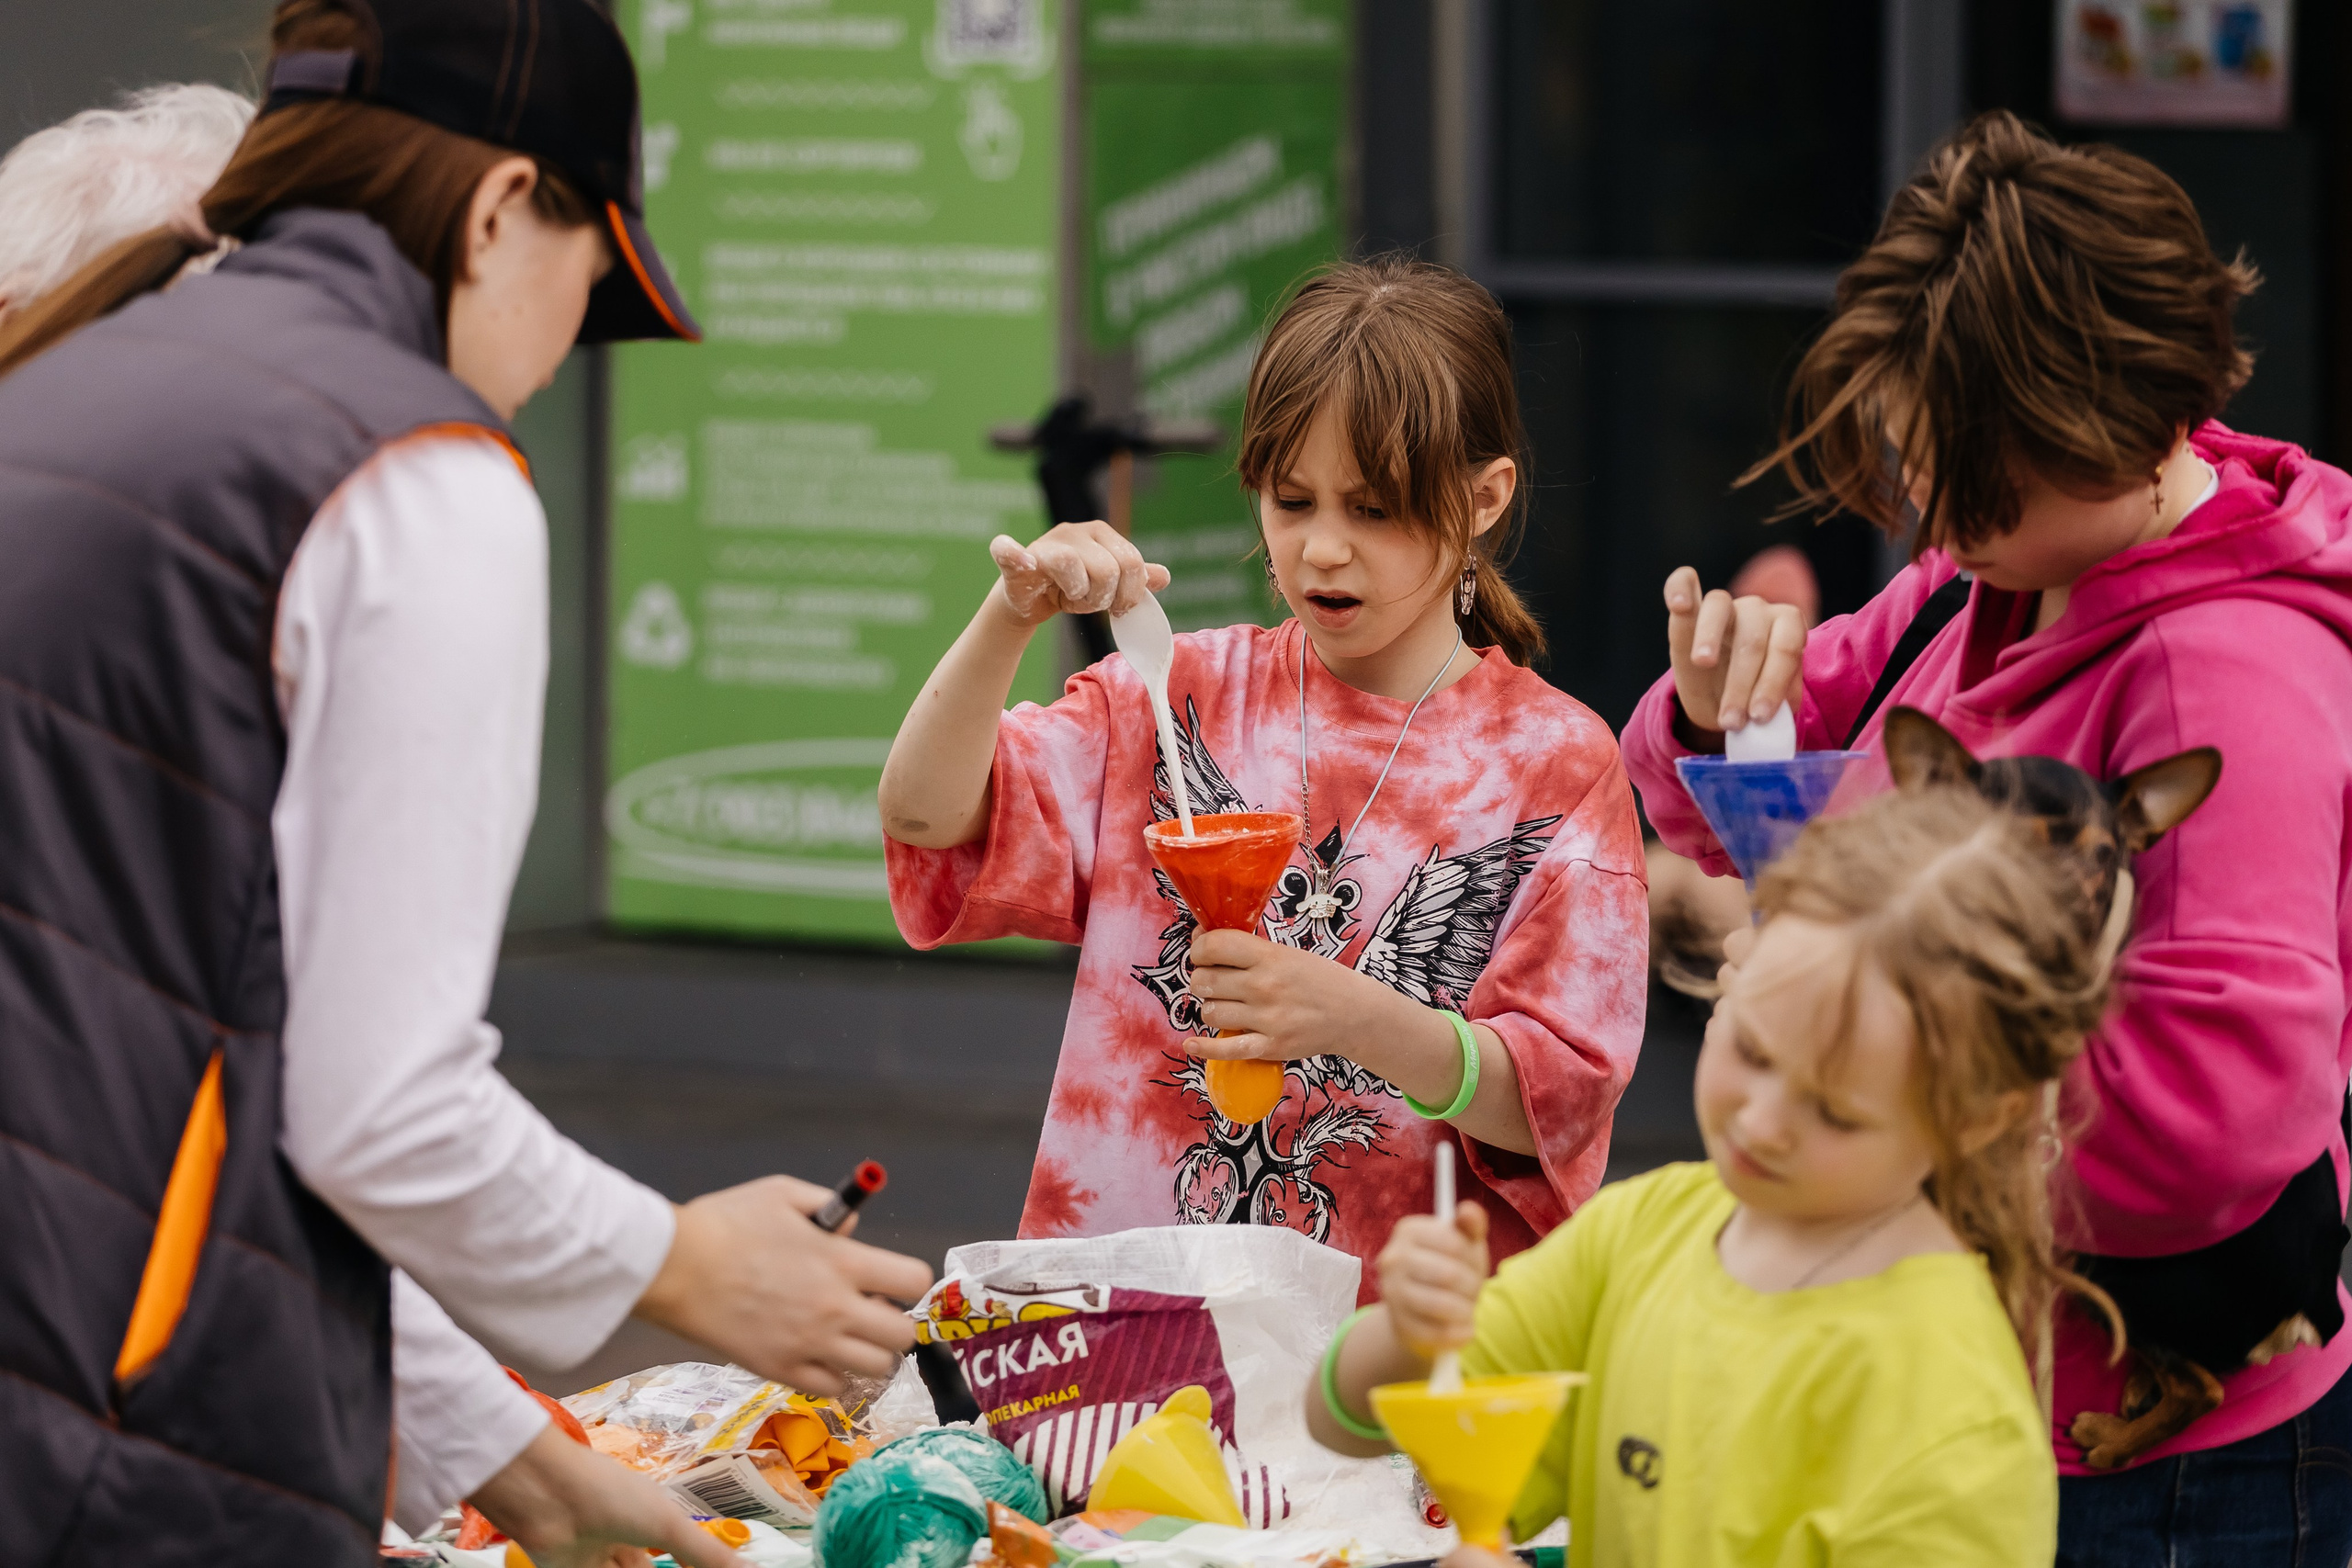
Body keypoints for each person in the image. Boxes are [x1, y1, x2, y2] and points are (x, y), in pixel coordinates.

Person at [0, 3, 931, 1564]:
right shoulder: (413, 473)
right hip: (127, 1444)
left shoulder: (63, 402)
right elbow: (379, 1109)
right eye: (592, 282)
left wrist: (536, 1473)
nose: (564, 354)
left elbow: (202, 1076)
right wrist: (684, 1261)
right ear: (503, 207)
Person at [1623, 110, 2352, 1562]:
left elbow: (2208, 1124)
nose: (1931, 515)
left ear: (2121, 426)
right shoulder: (1999, 571)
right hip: (1961, 1370)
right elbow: (1730, 777)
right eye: (1917, 459)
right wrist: (1712, 713)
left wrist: (1852, 1089)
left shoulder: (2224, 682)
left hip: (2139, 1451)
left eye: (1972, 474)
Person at [879, 258, 1645, 1285]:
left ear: (1483, 498)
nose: (1323, 549)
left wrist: (1354, 1018)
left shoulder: (1551, 762)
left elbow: (1554, 1099)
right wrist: (1010, 612)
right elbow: (925, 815)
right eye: (1292, 503)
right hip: (1119, 1324)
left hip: (1382, 1360)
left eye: (1373, 511)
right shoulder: (1171, 693)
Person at [1317, 785, 2116, 1564]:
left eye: (1836, 1111)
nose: (1762, 1120)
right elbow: (1346, 1422)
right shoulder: (1647, 1231)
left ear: (1979, 1115)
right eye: (1753, 1049)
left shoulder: (1952, 1414)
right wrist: (1406, 1336)